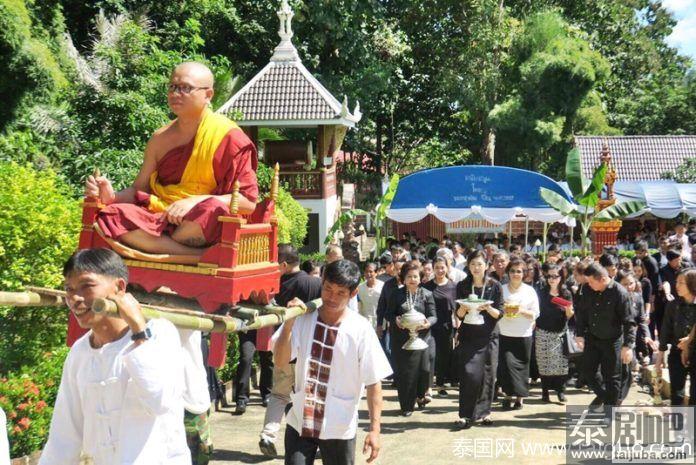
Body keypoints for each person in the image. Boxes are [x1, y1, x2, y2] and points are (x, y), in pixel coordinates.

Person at [90, 62, 258, 256]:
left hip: (199, 222)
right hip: (162, 216)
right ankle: (192, 255)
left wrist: (194, 202)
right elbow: (139, 190)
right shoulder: (159, 138)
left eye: (185, 88)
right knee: (112, 215)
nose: (176, 93)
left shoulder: (229, 137)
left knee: (213, 208)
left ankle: (160, 245)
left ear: (208, 95)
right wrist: (113, 197)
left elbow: (247, 201)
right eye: (172, 87)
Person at [39, 249, 190, 464]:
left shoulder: (160, 333)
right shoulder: (79, 353)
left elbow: (160, 401)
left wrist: (138, 329)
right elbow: (64, 436)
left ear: (119, 288)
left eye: (87, 286)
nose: (75, 298)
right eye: (69, 289)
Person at [273, 260, 392, 465]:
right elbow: (280, 360)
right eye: (328, 289)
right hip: (301, 419)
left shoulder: (360, 329)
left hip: (339, 425)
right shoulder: (303, 318)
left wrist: (375, 430)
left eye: (340, 293)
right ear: (321, 283)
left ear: (353, 293)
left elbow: (373, 382)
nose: (331, 297)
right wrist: (289, 324)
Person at [259, 244, 322, 457]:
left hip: (283, 346)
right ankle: (318, 441)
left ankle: (268, 434)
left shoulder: (273, 285)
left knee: (279, 395)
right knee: (311, 396)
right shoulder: (315, 283)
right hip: (309, 349)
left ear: (284, 264)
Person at [575, 263, 635, 412]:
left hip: (612, 340)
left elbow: (629, 322)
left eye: (591, 281)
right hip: (593, 337)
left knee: (612, 377)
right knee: (588, 372)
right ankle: (605, 396)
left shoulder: (620, 293)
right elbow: (582, 313)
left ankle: (609, 413)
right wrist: (580, 334)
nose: (588, 284)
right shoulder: (588, 290)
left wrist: (628, 346)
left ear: (602, 279)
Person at [454, 250, 503, 429]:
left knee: (488, 375)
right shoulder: (463, 285)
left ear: (486, 266)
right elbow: (458, 314)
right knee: (468, 374)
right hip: (468, 336)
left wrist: (487, 308)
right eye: (473, 264)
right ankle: (465, 414)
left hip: (489, 336)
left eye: (480, 264)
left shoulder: (495, 286)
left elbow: (500, 313)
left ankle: (484, 414)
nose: (476, 268)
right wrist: (466, 308)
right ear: (468, 266)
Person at [386, 262, 437, 416]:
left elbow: (434, 315)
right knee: (405, 374)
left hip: (423, 338)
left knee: (424, 370)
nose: (412, 279)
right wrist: (395, 320)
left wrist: (428, 323)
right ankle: (407, 406)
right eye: (409, 276)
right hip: (401, 338)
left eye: (415, 276)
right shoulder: (396, 294)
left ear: (420, 278)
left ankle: (421, 395)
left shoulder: (427, 294)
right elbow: (388, 313)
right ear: (403, 278)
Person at [498, 258, 540, 410]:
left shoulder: (530, 291)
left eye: (519, 271)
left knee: (522, 367)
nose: (516, 274)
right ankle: (508, 395)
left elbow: (535, 313)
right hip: (504, 332)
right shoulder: (501, 289)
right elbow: (495, 310)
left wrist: (521, 310)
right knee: (506, 366)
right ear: (508, 273)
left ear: (524, 274)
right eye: (513, 271)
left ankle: (520, 398)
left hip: (524, 334)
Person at [656, 269, 696, 406]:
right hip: (676, 352)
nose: (676, 286)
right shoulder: (673, 305)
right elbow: (665, 330)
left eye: (681, 282)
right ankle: (678, 426)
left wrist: (689, 341)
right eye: (676, 282)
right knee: (677, 394)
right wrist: (660, 356)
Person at [535, 263, 574, 403]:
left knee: (561, 365)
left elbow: (569, 315)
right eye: (549, 276)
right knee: (544, 363)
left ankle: (560, 391)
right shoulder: (541, 291)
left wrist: (568, 309)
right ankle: (545, 392)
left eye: (555, 276)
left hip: (560, 333)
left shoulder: (566, 293)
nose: (552, 279)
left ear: (561, 277)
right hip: (543, 332)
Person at [616, 270, 655, 403]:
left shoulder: (638, 298)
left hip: (629, 340)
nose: (629, 286)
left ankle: (617, 402)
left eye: (631, 283)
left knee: (626, 373)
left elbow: (642, 320)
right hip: (613, 338)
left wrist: (648, 337)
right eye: (625, 284)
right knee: (614, 373)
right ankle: (610, 399)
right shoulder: (613, 297)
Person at [423, 257, 458, 396]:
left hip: (446, 326)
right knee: (430, 356)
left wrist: (458, 329)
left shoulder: (453, 286)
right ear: (433, 268)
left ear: (447, 268)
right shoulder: (426, 286)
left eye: (442, 267)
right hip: (429, 326)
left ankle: (441, 384)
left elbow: (456, 309)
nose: (440, 270)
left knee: (444, 356)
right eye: (436, 267)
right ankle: (428, 386)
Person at [357, 262, 384, 329]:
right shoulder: (360, 288)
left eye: (371, 272)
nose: (368, 274)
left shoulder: (383, 286)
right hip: (365, 324)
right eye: (366, 271)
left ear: (376, 273)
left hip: (380, 325)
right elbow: (359, 306)